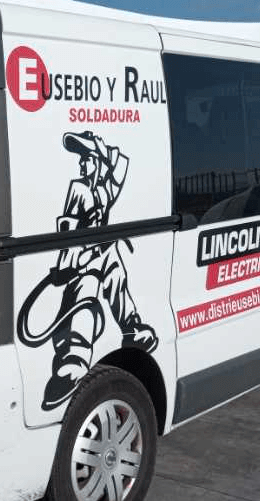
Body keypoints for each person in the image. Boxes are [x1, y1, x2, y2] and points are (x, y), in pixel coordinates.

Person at [20, 130, 158, 410]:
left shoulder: (103, 190)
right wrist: (67, 264)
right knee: (86, 291)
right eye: (81, 159)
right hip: (80, 259)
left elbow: (122, 164)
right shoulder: (79, 189)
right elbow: (68, 228)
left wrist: (101, 148)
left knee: (115, 268)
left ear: (98, 162)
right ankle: (73, 358)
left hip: (99, 251)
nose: (82, 164)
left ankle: (131, 328)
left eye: (87, 159)